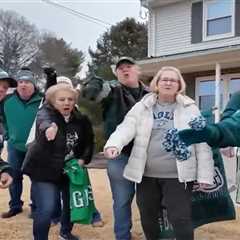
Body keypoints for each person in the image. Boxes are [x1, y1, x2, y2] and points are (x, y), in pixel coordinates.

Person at [104, 66, 214, 240]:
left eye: (173, 80)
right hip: (147, 175)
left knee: (180, 219)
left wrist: (205, 176)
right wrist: (114, 145)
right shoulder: (143, 106)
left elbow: (202, 142)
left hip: (178, 177)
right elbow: (126, 128)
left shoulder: (190, 108)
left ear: (179, 85)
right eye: (164, 79)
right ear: (157, 83)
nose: (168, 82)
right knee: (148, 218)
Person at [82, 57, 148, 240]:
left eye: (129, 67)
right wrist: (94, 83)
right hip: (120, 156)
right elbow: (93, 94)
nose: (125, 70)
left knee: (149, 200)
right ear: (116, 74)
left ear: (138, 70)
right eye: (120, 69)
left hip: (147, 156)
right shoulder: (112, 91)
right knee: (122, 200)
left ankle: (150, 233)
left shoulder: (150, 94)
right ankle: (122, 236)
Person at [22, 83, 94, 240]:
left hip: (69, 169)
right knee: (47, 208)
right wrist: (49, 129)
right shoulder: (45, 113)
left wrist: (82, 159)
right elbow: (43, 121)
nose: (66, 103)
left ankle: (65, 232)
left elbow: (88, 142)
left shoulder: (81, 119)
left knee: (70, 205)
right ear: (53, 102)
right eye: (61, 100)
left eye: (70, 99)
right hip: (44, 170)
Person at [1, 68, 42, 218]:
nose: (23, 85)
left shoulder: (42, 100)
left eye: (27, 82)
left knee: (35, 177)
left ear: (34, 85)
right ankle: (15, 205)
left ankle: (36, 207)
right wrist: (7, 133)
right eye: (20, 82)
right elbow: (3, 119)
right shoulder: (7, 101)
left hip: (35, 147)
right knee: (14, 176)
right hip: (14, 145)